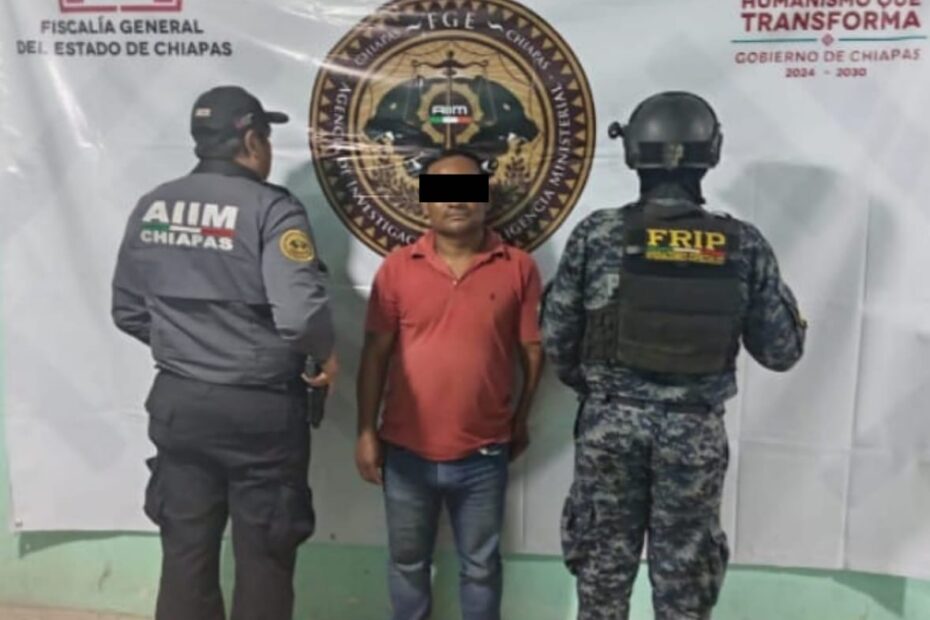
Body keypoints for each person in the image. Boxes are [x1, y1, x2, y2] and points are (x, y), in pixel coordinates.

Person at [542, 91, 807, 620]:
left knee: (602, 579)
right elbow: (781, 351)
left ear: (632, 152)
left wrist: (605, 393)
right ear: (712, 153)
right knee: (685, 586)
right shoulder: (742, 244)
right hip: (693, 433)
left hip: (610, 429)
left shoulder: (597, 235)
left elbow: (556, 339)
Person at [111, 85, 337, 620]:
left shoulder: (154, 204)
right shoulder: (272, 208)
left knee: (185, 553)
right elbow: (299, 316)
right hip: (260, 411)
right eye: (267, 137)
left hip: (180, 404)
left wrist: (188, 347)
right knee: (266, 554)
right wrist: (325, 355)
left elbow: (128, 310)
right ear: (252, 139)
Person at [355, 149, 545, 620]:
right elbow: (375, 354)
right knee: (407, 563)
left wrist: (521, 419)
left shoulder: (518, 266)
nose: (456, 201)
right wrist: (365, 431)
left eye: (467, 189)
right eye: (443, 191)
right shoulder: (398, 268)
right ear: (425, 201)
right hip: (405, 452)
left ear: (485, 197)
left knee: (481, 567)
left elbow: (532, 351)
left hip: (484, 454)